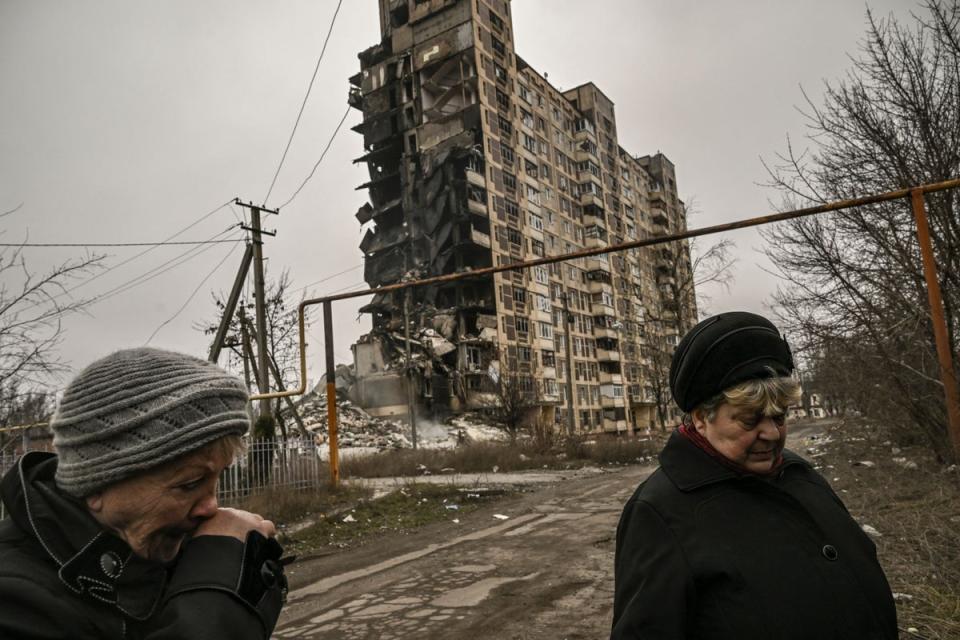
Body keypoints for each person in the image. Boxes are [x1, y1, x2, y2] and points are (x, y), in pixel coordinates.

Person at [611, 312, 897, 640]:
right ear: (702, 417)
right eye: (750, 420)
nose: (772, 434)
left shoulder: (799, 474)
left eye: (780, 417)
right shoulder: (659, 512)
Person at [0, 348, 288, 639]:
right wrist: (220, 593)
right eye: (190, 483)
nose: (211, 506)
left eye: (217, 478)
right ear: (98, 483)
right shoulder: (14, 602)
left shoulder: (160, 553)